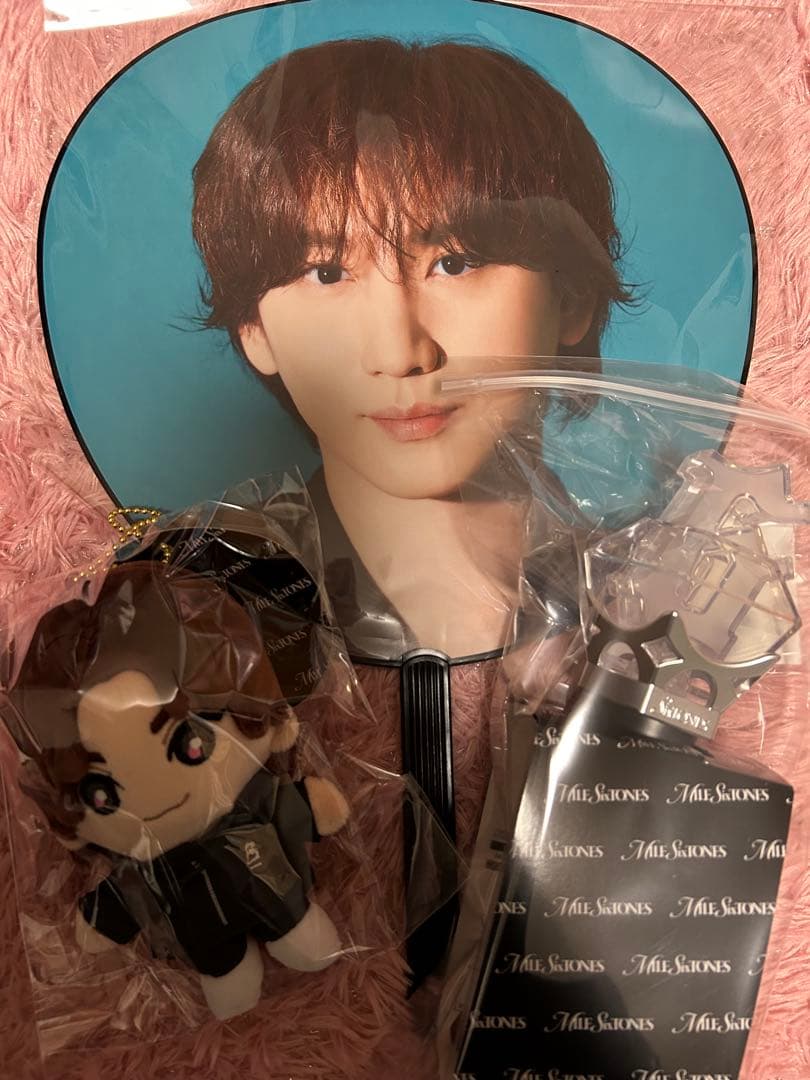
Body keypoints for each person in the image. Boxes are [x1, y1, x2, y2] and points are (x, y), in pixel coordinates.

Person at [191, 36, 630, 661]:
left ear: (572, 295)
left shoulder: (666, 598)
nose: (400, 354)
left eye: (456, 262)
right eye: (326, 273)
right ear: (252, 328)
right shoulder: (194, 617)